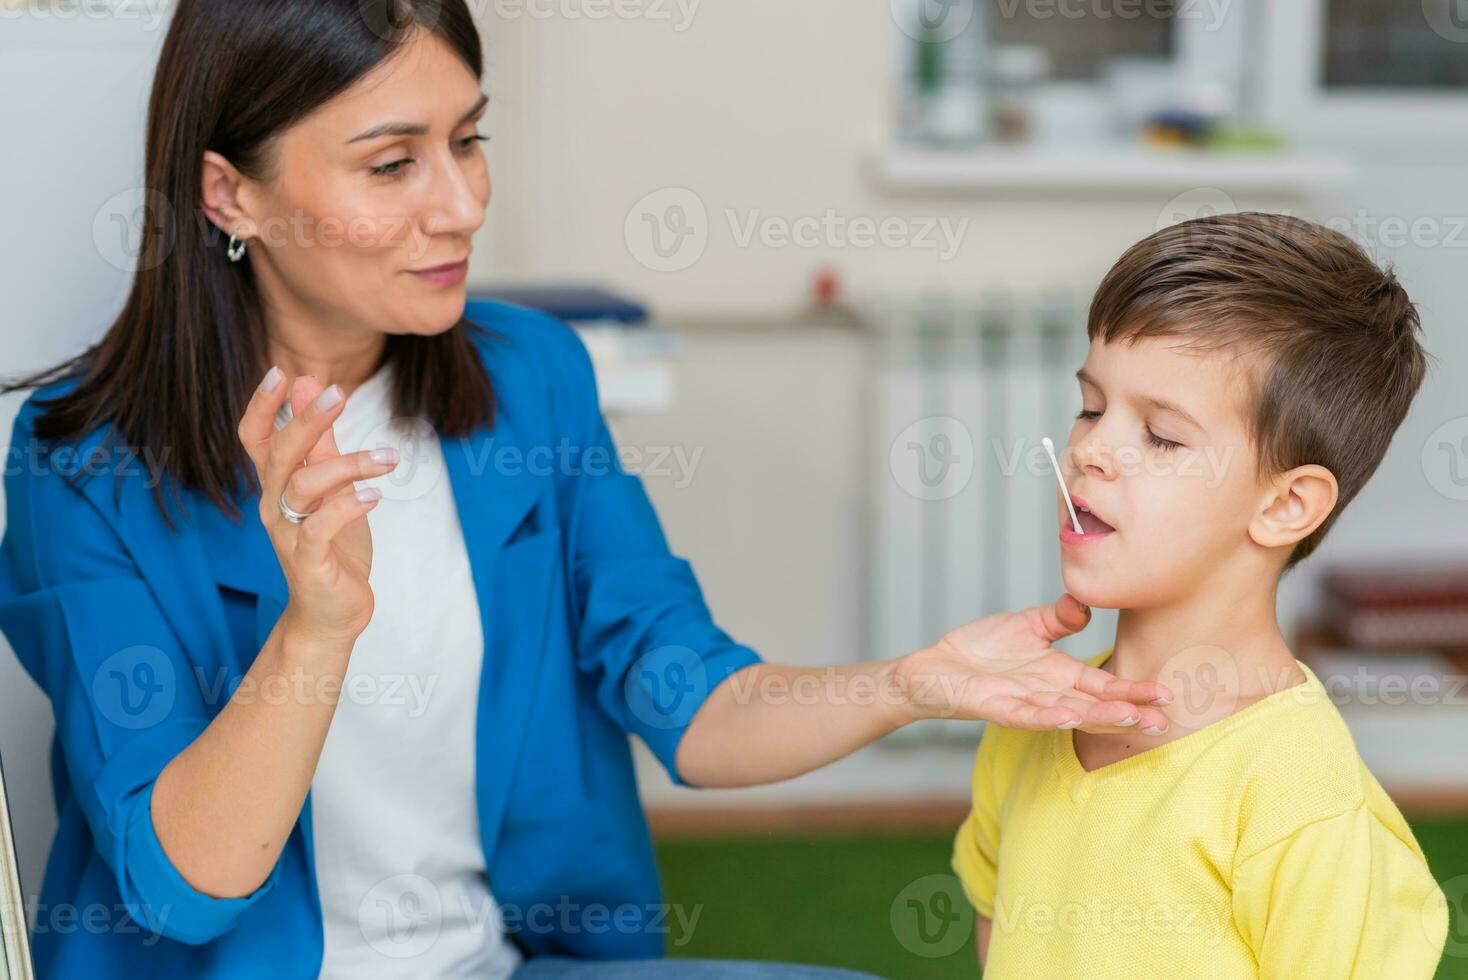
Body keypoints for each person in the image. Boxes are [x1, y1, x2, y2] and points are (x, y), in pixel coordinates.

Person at [0, 1, 1173, 976]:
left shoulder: (529, 378)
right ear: (228, 195)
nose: (460, 203)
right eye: (392, 161)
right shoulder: (81, 462)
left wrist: (917, 680)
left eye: (469, 139)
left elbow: (691, 699)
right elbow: (185, 883)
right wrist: (318, 626)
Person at [951, 212, 1451, 977]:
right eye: (1092, 406)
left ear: (1287, 505)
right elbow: (1001, 931)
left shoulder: (1303, 801)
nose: (1090, 452)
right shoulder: (1028, 715)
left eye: (1161, 436)